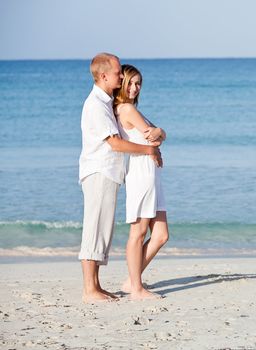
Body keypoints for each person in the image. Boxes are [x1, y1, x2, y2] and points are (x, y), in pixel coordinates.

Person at [78, 53, 162, 303]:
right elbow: (115, 144)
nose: (121, 76)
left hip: (109, 173)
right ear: (104, 76)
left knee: (102, 230)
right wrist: (150, 149)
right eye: (117, 73)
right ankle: (89, 290)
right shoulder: (95, 105)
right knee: (94, 230)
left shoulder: (105, 103)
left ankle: (96, 286)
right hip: (99, 170)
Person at [113, 64, 169, 300]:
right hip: (141, 172)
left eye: (138, 84)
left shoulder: (134, 109)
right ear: (122, 84)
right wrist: (158, 135)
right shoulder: (126, 108)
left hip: (151, 172)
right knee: (138, 232)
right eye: (131, 83)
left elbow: (160, 134)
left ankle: (131, 280)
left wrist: (160, 132)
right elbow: (154, 138)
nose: (135, 88)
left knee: (161, 235)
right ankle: (136, 287)